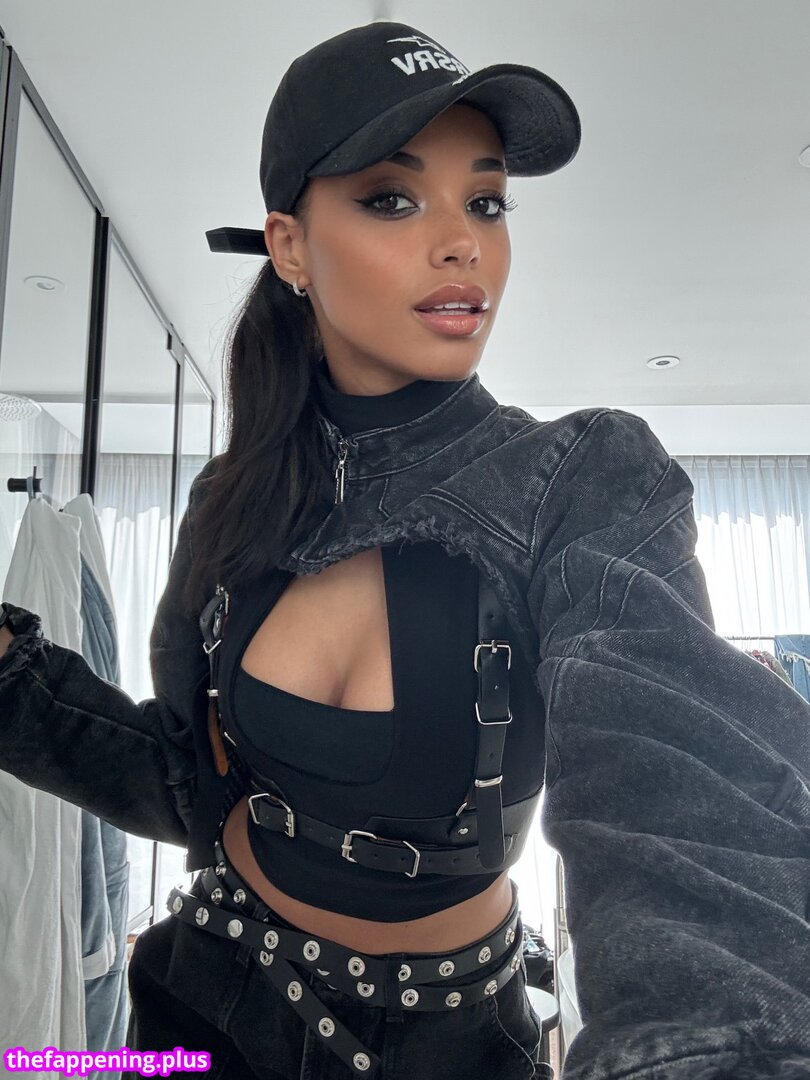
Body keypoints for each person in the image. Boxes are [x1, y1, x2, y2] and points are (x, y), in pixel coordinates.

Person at [1, 19, 809, 1080]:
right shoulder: (227, 501)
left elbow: (679, 809)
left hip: (453, 1044)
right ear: (290, 246)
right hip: (201, 1001)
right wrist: (13, 678)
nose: (464, 242)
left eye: (486, 201)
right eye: (392, 198)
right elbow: (188, 782)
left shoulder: (583, 482)